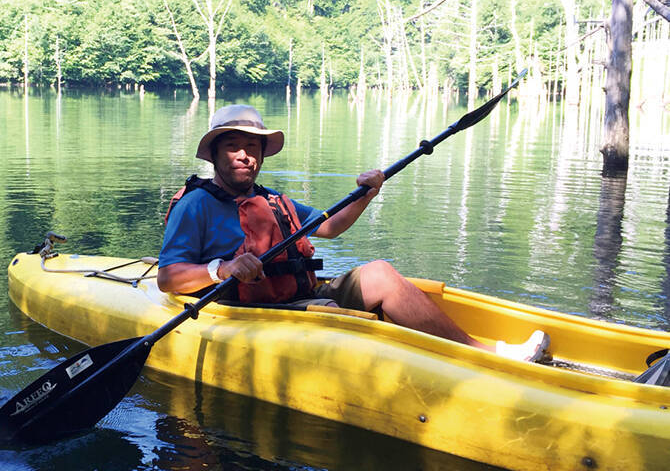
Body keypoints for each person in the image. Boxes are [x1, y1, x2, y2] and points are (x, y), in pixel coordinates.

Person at [157, 104, 550, 363]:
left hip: (299, 295)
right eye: (234, 146)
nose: (245, 155)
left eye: (252, 147)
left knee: (379, 272)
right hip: (252, 313)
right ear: (216, 155)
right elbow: (167, 277)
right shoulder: (196, 206)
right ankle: (448, 358)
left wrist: (368, 192)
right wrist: (223, 268)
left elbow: (329, 225)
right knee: (338, 317)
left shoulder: (272, 199)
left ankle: (481, 353)